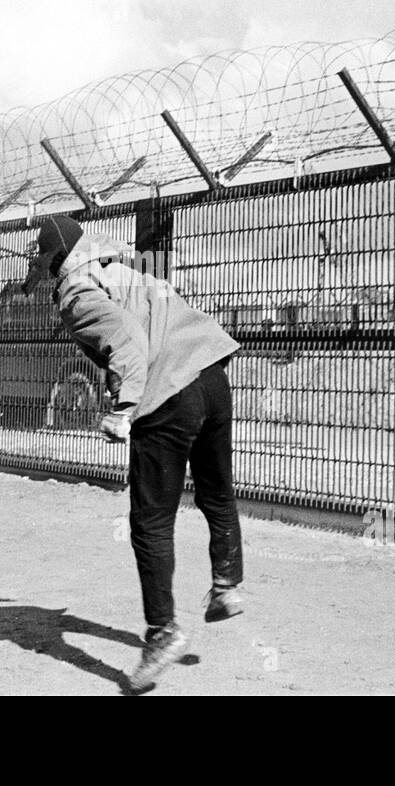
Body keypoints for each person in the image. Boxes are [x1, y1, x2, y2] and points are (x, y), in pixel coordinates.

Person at [24, 215, 245, 692]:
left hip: (168, 392)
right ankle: (227, 583)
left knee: (150, 522)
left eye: (44, 269)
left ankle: (162, 632)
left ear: (55, 262)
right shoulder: (123, 262)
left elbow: (127, 341)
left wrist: (124, 409)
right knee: (216, 490)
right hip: (211, 374)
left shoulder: (76, 292)